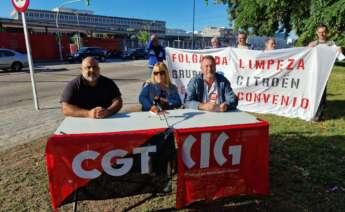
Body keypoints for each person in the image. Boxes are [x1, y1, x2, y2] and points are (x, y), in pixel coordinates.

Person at [308, 25, 343, 121]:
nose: (322, 34)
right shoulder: (313, 44)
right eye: (320, 32)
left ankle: (319, 115)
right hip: (313, 73)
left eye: (323, 32)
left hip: (324, 73)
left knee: (321, 94)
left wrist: (339, 51)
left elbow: (341, 57)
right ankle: (313, 112)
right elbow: (305, 55)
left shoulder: (331, 45)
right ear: (316, 33)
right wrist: (309, 47)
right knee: (312, 93)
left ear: (326, 32)